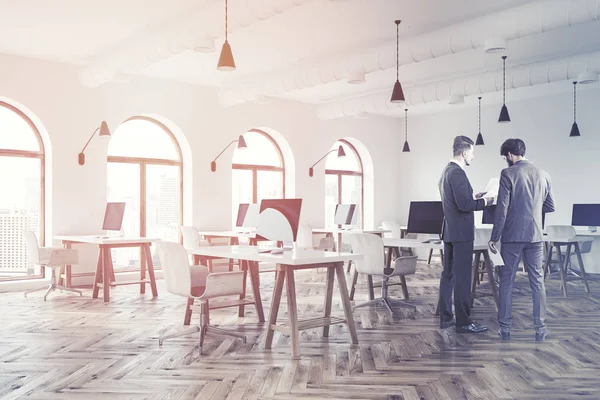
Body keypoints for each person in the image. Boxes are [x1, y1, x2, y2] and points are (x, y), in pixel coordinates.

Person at [488, 138, 555, 341]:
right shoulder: (544, 174)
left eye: (504, 157)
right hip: (535, 236)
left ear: (509, 155)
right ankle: (540, 329)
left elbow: (502, 210)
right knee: (537, 282)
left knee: (507, 282)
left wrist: (494, 237)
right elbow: (550, 206)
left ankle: (505, 329)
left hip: (512, 237)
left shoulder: (507, 173)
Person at [439, 136, 494, 333]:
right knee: (463, 278)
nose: (473, 156)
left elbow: (458, 201)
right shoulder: (458, 174)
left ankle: (445, 318)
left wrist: (474, 197)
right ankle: (463, 322)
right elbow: (464, 206)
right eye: (472, 152)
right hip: (462, 233)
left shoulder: (446, 171)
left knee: (448, 275)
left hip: (450, 231)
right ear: (464, 153)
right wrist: (486, 201)